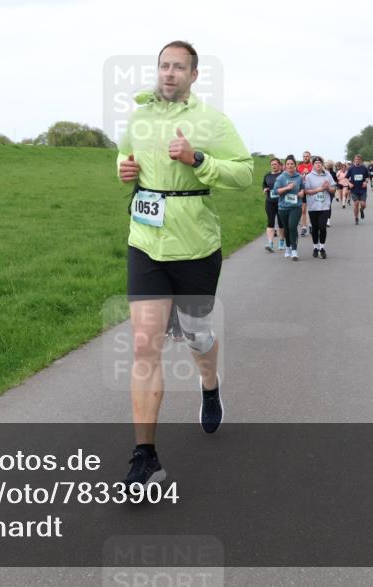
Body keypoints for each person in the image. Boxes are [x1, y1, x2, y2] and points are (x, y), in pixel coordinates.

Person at [116, 40, 253, 487]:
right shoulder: (139, 117)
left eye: (178, 67)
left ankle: (210, 387)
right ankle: (145, 457)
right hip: (145, 242)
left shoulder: (212, 121)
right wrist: (124, 169)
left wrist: (198, 159)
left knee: (196, 335)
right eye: (163, 65)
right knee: (144, 344)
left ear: (194, 75)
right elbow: (124, 153)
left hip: (195, 246)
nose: (169, 73)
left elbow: (244, 172)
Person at [303, 156, 336, 258]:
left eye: (319, 163)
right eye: (316, 163)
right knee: (315, 228)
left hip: (324, 206)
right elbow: (306, 191)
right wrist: (319, 189)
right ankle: (315, 247)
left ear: (322, 164)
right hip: (313, 206)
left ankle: (322, 248)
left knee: (322, 227)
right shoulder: (309, 177)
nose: (318, 164)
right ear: (313, 165)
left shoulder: (328, 175)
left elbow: (333, 189)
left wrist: (328, 187)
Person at [273, 155, 304, 260]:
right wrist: (287, 188)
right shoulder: (281, 177)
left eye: (292, 164)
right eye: (288, 164)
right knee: (286, 228)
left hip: (296, 206)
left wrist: (302, 192)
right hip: (283, 207)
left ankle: (294, 251)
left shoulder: (299, 177)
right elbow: (275, 191)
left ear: (295, 165)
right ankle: (288, 248)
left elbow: (303, 188)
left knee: (292, 227)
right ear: (285, 166)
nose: (290, 166)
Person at [262, 157, 283, 252]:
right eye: (272, 164)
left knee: (281, 223)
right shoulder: (267, 175)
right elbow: (264, 185)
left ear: (279, 165)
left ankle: (281, 241)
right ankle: (270, 243)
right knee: (270, 222)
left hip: (281, 202)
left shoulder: (283, 175)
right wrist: (265, 189)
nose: (273, 166)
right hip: (270, 202)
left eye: (275, 164)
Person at [347, 154, 370, 225]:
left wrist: (366, 182)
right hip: (354, 189)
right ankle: (356, 218)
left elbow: (367, 178)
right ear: (354, 160)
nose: (357, 161)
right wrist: (349, 183)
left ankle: (361, 209)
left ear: (361, 160)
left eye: (359, 159)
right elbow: (346, 178)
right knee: (356, 203)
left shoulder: (364, 168)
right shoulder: (351, 169)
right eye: (356, 159)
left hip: (362, 189)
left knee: (363, 204)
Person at [296, 151, 313, 237]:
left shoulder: (313, 166)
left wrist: (308, 173)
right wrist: (302, 174)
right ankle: (304, 227)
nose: (305, 158)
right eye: (304, 156)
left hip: (311, 189)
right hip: (302, 189)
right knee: (303, 210)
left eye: (307, 156)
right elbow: (296, 176)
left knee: (311, 209)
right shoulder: (299, 166)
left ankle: (311, 225)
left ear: (310, 157)